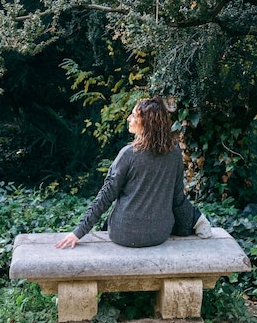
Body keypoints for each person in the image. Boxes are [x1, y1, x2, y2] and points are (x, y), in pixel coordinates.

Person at [55, 96, 211, 249]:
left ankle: (196, 218)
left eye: (134, 116)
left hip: (124, 234)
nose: (129, 119)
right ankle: (197, 218)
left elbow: (106, 195)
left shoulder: (128, 154)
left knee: (108, 222)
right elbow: (177, 197)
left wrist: (78, 232)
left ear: (146, 123)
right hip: (159, 234)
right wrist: (191, 219)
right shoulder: (174, 151)